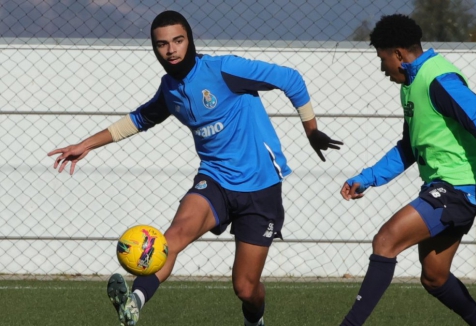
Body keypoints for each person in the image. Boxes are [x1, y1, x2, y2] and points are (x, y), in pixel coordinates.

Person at [47, 10, 342, 326]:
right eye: (162, 45)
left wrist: (311, 130)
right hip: (214, 180)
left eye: (178, 40)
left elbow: (291, 79)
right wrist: (86, 144)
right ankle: (133, 303)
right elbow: (138, 119)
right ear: (154, 48)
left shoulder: (224, 70)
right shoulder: (170, 89)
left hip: (260, 187)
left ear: (190, 40)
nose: (171, 50)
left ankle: (255, 322)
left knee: (245, 288)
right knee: (171, 238)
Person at [338, 14, 476, 326]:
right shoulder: (411, 85)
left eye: (382, 58)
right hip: (445, 188)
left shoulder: (440, 80)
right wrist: (367, 178)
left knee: (386, 240)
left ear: (399, 55)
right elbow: (409, 147)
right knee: (434, 277)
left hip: (460, 188)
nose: (382, 68)